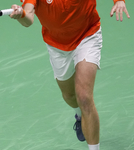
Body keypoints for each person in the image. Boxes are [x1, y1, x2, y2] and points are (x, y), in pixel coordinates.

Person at [10, 0, 130, 150]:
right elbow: (28, 18)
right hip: (57, 46)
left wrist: (119, 1)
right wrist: (21, 14)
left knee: (84, 97)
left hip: (87, 35)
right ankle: (79, 116)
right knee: (69, 96)